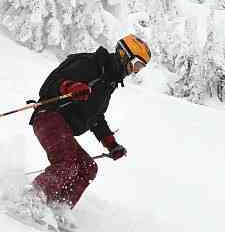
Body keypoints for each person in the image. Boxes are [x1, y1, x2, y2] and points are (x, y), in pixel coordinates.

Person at [28, 34, 152, 209]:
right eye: (136, 65)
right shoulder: (90, 64)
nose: (135, 71)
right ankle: (31, 198)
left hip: (63, 126)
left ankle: (58, 207)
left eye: (140, 68)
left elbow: (96, 117)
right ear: (124, 55)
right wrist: (70, 87)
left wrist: (111, 144)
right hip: (49, 115)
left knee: (88, 167)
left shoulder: (109, 82)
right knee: (67, 163)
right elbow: (51, 84)